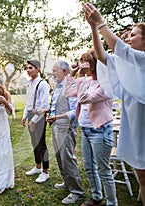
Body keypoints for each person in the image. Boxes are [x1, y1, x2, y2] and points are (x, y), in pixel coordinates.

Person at [83, 3, 145, 204]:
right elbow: (102, 57)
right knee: (143, 178)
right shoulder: (128, 64)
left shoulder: (142, 60)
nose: (128, 38)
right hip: (136, 129)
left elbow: (121, 49)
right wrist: (93, 27)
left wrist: (101, 22)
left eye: (133, 35)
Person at [64, 50, 117, 206]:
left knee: (103, 170)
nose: (81, 65)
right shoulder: (86, 82)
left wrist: (80, 77)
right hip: (86, 130)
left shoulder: (106, 84)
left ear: (94, 64)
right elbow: (67, 93)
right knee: (89, 167)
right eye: (80, 62)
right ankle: (97, 198)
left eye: (84, 62)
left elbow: (84, 98)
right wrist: (72, 74)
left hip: (100, 131)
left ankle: (112, 203)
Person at [46, 60, 85, 204]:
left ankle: (76, 191)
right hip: (56, 126)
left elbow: (75, 111)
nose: (53, 73)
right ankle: (67, 182)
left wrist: (58, 117)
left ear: (64, 71)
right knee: (59, 157)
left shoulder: (72, 86)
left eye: (55, 70)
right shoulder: (57, 87)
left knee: (67, 158)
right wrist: (51, 116)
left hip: (67, 128)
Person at [21, 60, 50, 184]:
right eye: (27, 68)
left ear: (38, 69)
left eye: (30, 68)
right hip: (30, 115)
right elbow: (28, 102)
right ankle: (38, 167)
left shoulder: (43, 84)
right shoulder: (29, 84)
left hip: (39, 115)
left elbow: (43, 105)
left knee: (41, 144)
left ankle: (45, 172)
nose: (28, 70)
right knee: (34, 142)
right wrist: (24, 116)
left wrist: (33, 120)